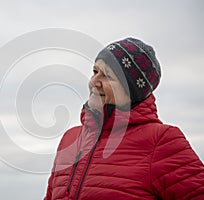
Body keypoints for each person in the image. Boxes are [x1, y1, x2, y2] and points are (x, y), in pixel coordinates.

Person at [44, 37, 204, 200]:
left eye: (107, 76)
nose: (94, 82)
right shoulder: (70, 139)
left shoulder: (162, 141)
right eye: (95, 72)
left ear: (131, 91)